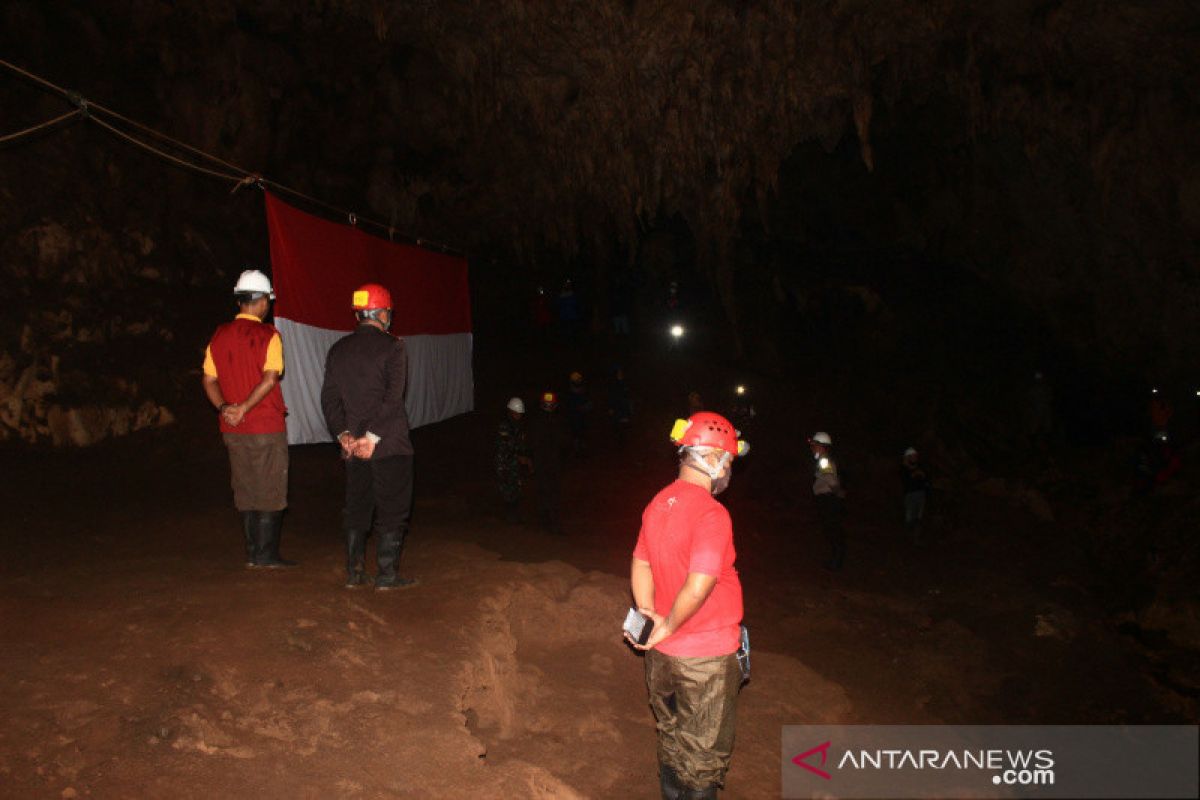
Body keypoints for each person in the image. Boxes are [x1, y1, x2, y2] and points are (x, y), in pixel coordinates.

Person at [627, 412, 748, 799]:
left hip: (662, 656)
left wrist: (649, 615)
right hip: (705, 656)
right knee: (704, 756)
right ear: (710, 457)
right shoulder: (712, 513)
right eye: (727, 459)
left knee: (671, 733)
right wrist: (671, 624)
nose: (728, 468)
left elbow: (641, 561)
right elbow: (700, 583)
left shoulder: (657, 503)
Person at [320, 283, 416, 590]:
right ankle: (387, 575)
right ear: (382, 312)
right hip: (388, 445)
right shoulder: (393, 346)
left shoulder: (338, 350)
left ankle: (355, 572)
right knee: (393, 508)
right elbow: (393, 399)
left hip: (354, 448)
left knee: (357, 506)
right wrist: (372, 438)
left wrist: (345, 436)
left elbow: (329, 399)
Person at [202, 269, 295, 569]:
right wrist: (243, 407)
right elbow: (270, 379)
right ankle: (266, 555)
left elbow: (208, 379)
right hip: (265, 425)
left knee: (244, 487)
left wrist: (224, 408)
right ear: (263, 301)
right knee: (269, 488)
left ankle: (253, 552)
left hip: (232, 428)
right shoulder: (270, 336)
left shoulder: (219, 335)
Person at [529, 392, 566, 533]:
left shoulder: (551, 421)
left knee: (547, 493)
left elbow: (562, 443)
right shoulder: (549, 422)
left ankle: (547, 522)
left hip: (548, 464)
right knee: (549, 493)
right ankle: (550, 523)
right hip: (547, 464)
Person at [809, 431, 846, 570]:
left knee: (832, 529)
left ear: (822, 446)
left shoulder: (824, 461)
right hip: (826, 499)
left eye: (814, 445)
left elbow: (831, 479)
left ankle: (836, 562)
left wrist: (837, 492)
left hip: (828, 499)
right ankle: (835, 560)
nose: (812, 448)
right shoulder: (822, 460)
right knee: (830, 529)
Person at [496, 397, 532, 521]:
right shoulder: (505, 427)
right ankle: (510, 515)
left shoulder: (518, 426)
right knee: (508, 489)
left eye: (520, 414)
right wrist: (518, 457)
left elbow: (521, 445)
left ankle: (515, 514)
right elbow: (504, 447)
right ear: (511, 412)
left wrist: (526, 458)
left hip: (514, 463)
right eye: (517, 413)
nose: (519, 416)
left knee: (516, 488)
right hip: (505, 463)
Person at [900, 447, 929, 544]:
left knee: (919, 517)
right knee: (909, 517)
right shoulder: (904, 468)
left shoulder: (920, 466)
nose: (915, 457)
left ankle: (916, 539)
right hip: (910, 495)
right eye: (912, 456)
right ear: (908, 457)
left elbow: (925, 479)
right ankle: (907, 538)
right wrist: (914, 473)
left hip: (920, 494)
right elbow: (906, 480)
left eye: (916, 455)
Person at [565, 371, 593, 456]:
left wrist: (587, 407)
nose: (578, 380)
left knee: (583, 432)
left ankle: (583, 448)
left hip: (583, 416)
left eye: (579, 379)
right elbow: (568, 405)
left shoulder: (584, 391)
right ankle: (576, 449)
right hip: (574, 416)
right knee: (575, 433)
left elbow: (589, 403)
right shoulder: (569, 393)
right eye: (576, 379)